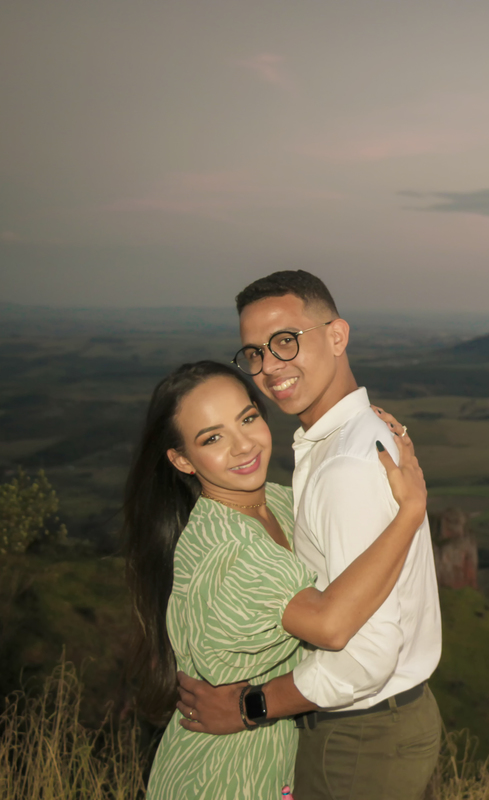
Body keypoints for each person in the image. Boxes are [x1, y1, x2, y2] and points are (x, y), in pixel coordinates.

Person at [176, 271, 443, 800]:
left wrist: (250, 706)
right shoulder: (354, 438)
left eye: (285, 341)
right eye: (255, 353)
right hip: (387, 724)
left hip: (359, 738)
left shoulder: (344, 466)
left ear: (337, 336)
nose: (269, 367)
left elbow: (365, 656)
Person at [124, 360, 424, 799]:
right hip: (219, 776)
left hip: (267, 760)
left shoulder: (280, 504)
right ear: (182, 460)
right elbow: (330, 625)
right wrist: (410, 512)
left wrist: (369, 431)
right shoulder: (229, 547)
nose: (243, 445)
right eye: (213, 438)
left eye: (247, 418)